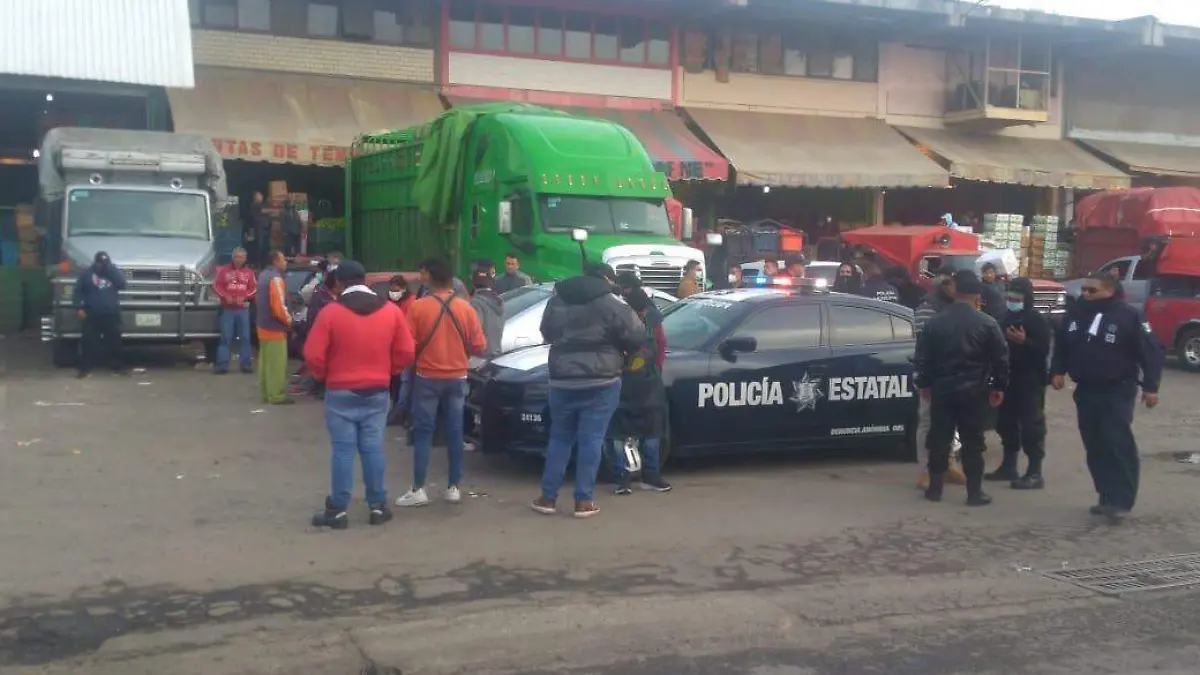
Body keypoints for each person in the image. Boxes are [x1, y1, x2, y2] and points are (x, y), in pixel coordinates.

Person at [305, 261, 415, 529]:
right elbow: (406, 351)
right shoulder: (390, 311)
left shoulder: (331, 313)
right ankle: (377, 506)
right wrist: (389, 371)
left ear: (338, 283)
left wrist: (324, 375)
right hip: (377, 390)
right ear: (364, 280)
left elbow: (313, 354)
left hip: (340, 390)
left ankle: (338, 510)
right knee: (372, 447)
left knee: (343, 450)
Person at [531, 262, 646, 519]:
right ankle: (583, 501)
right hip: (602, 380)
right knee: (591, 439)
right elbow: (637, 335)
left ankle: (547, 498)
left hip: (562, 379)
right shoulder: (611, 303)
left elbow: (546, 331)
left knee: (560, 438)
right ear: (605, 279)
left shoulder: (558, 300)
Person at [1051, 272, 1164, 522]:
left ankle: (1121, 499)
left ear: (1110, 291)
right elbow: (1062, 345)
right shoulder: (1075, 314)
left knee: (1116, 442)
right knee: (1095, 445)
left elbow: (1151, 351)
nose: (1086, 294)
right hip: (1086, 389)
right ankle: (1106, 495)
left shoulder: (1128, 316)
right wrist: (1057, 370)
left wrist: (1151, 387)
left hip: (1117, 389)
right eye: (1084, 290)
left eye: (1092, 291)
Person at [395, 258, 488, 508]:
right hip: (457, 377)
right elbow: (480, 345)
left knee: (423, 432)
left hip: (427, 377)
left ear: (430, 277)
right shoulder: (465, 308)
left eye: (423, 272)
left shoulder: (418, 307)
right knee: (455, 431)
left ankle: (418, 489)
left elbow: (407, 346)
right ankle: (453, 488)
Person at [915, 270, 1009, 506]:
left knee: (939, 439)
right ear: (977, 295)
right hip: (974, 391)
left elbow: (923, 358)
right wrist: (999, 387)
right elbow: (1001, 359)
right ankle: (975, 493)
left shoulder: (935, 323)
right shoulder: (987, 323)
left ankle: (935, 489)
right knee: (973, 442)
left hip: (942, 389)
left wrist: (925, 384)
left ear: (955, 291)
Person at [987, 277, 1051, 489]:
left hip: (1030, 381)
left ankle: (1035, 472)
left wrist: (1025, 342)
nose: (1012, 301)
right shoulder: (1004, 318)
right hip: (1007, 379)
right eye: (1009, 297)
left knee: (1032, 426)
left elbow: (1043, 351)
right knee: (1005, 424)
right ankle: (1008, 466)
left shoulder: (1036, 320)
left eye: (1017, 298)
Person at [609, 286, 672, 495]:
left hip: (627, 384)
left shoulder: (617, 324)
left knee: (621, 433)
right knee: (647, 431)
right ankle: (647, 476)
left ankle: (625, 479)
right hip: (643, 384)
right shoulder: (650, 324)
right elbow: (660, 349)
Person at [913, 269, 966, 489]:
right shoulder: (928, 307)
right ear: (945, 285)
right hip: (932, 375)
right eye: (955, 285)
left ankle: (948, 465)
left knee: (951, 424)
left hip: (954, 374)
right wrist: (925, 379)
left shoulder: (958, 305)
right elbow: (923, 348)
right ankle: (925, 470)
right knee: (927, 422)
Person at [74, 251, 128, 378]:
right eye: (99, 263)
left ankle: (117, 368)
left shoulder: (113, 273)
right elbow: (77, 292)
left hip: (110, 313)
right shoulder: (86, 274)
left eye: (104, 263)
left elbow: (122, 284)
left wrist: (110, 270)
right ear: (95, 262)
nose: (101, 266)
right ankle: (84, 370)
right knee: (88, 342)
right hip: (91, 313)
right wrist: (78, 308)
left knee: (115, 343)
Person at [256, 250, 293, 405]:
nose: (285, 262)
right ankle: (277, 395)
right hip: (275, 327)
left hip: (262, 325)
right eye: (283, 259)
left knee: (266, 363)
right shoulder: (275, 278)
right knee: (277, 364)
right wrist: (290, 321)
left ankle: (266, 393)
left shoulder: (263, 276)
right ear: (275, 261)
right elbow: (278, 305)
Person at [213, 247, 257, 375]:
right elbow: (216, 285)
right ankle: (222, 365)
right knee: (225, 337)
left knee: (245, 337)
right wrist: (225, 296)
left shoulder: (249, 273)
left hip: (243, 309)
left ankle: (246, 364)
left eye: (241, 257)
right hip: (227, 309)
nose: (239, 259)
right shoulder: (223, 271)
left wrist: (245, 297)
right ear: (232, 257)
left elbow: (254, 289)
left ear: (245, 259)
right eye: (237, 256)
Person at [469, 267, 504, 360]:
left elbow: (474, 331)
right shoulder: (499, 301)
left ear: (473, 282)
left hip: (479, 357)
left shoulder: (475, 303)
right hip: (496, 353)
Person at [249, 191, 272, 267]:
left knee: (266, 247)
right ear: (255, 197)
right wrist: (275, 210)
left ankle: (265, 263)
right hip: (260, 229)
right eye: (260, 195)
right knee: (260, 246)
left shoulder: (263, 204)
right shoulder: (255, 204)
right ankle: (257, 263)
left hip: (266, 228)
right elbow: (264, 210)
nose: (262, 196)